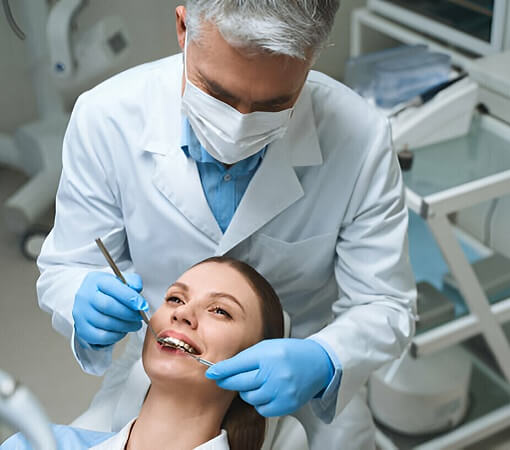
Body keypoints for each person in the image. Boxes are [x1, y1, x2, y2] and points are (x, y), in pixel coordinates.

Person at [37, 1, 417, 448]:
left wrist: (325, 359)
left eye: (274, 105)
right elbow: (71, 264)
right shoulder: (106, 117)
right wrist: (82, 298)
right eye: (217, 93)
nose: (239, 125)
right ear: (182, 27)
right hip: (160, 376)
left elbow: (385, 303)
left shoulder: (361, 139)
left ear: (312, 55)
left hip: (302, 396)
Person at [3, 257, 306, 449]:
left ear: (254, 367)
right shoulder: (35, 445)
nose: (183, 312)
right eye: (175, 298)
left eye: (220, 311)